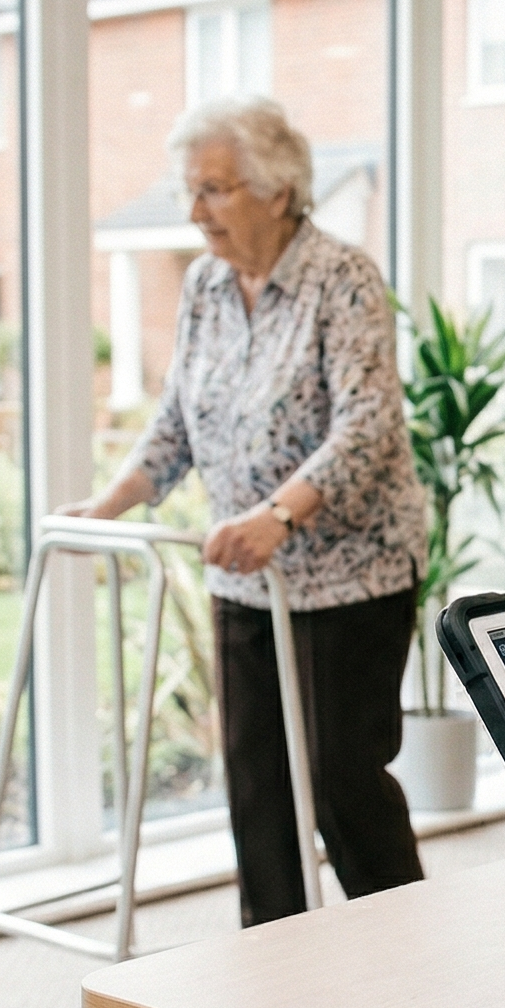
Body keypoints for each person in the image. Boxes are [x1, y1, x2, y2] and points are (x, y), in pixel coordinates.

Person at [64, 96, 427, 924]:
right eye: (191, 193)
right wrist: (112, 501)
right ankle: (277, 987)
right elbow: (177, 417)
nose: (195, 213)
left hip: (349, 576)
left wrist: (280, 514)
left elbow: (367, 423)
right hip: (245, 576)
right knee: (257, 787)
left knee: (340, 781)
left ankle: (412, 958)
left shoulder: (342, 278)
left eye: (214, 191)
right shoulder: (205, 287)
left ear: (276, 190)